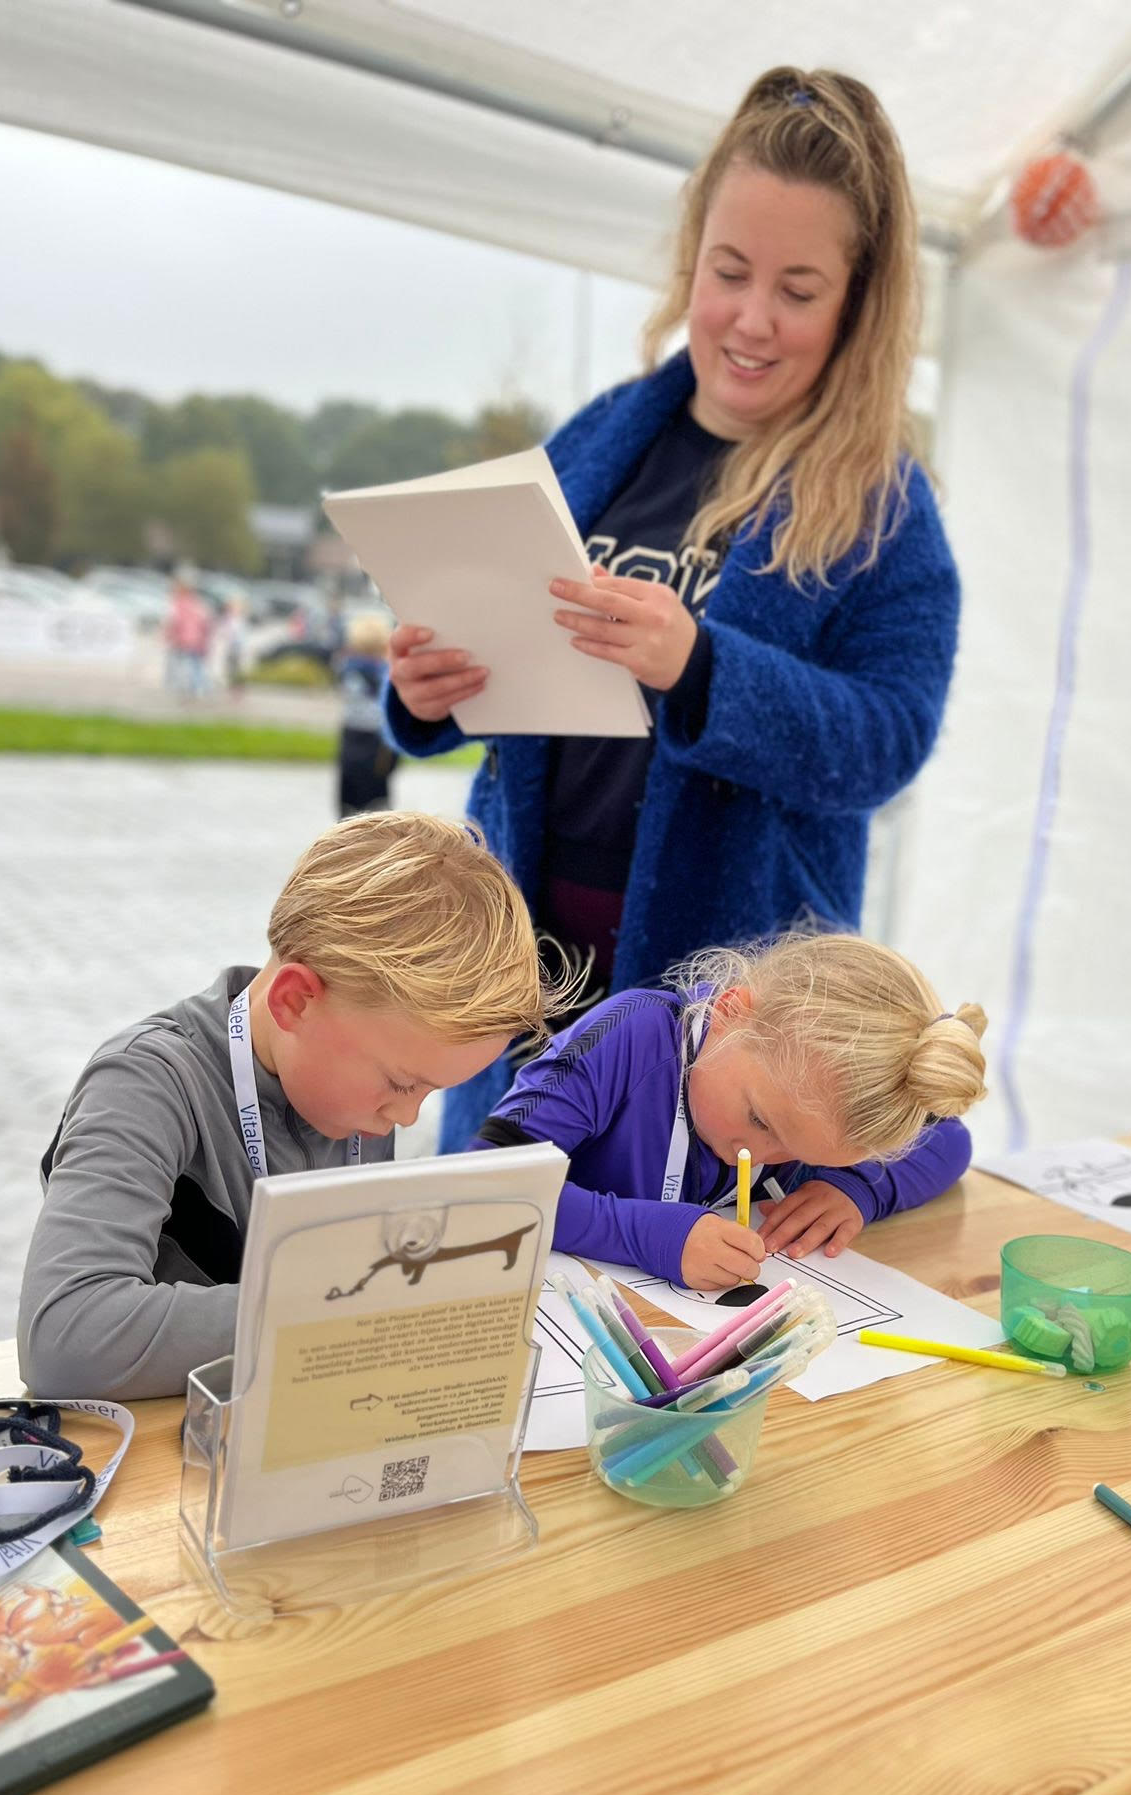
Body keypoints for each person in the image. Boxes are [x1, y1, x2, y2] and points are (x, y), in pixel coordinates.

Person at [384, 66, 961, 1150]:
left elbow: (887, 740)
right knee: (500, 1257)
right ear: (689, 259)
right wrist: (430, 691)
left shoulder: (884, 505)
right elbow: (515, 637)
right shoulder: (607, 433)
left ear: (857, 304)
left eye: (798, 290)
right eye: (728, 270)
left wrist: (704, 667)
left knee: (675, 1283)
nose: (751, 318)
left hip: (730, 1019)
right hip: (519, 973)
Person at [18, 812, 551, 1400]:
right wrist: (351, 1310)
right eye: (403, 1084)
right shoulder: (146, 1081)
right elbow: (67, 1340)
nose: (405, 1118)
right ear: (295, 1001)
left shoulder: (347, 1083)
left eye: (430, 1091)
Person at [473, 931, 986, 1292]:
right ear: (730, 1012)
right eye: (761, 1120)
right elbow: (486, 1186)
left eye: (801, 1153)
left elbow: (950, 1142)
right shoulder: (633, 1037)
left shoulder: (823, 1092)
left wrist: (855, 1188)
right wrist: (643, 1234)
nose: (757, 1153)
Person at [335, 613, 399, 817]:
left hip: (351, 736)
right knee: (378, 801)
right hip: (379, 740)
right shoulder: (387, 674)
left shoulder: (347, 670)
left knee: (349, 802)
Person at [163, 574, 213, 697]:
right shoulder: (198, 604)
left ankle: (184, 686)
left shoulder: (178, 604)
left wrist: (169, 634)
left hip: (183, 639)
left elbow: (174, 621)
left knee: (182, 664)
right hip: (197, 640)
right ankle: (198, 686)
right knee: (195, 664)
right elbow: (206, 621)